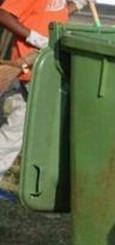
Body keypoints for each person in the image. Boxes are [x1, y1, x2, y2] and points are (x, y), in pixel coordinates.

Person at [0, 0, 83, 193]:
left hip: (44, 69)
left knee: (16, 132)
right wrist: (33, 37)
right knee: (22, 132)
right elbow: (4, 14)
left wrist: (76, 6)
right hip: (32, 69)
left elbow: (49, 15)